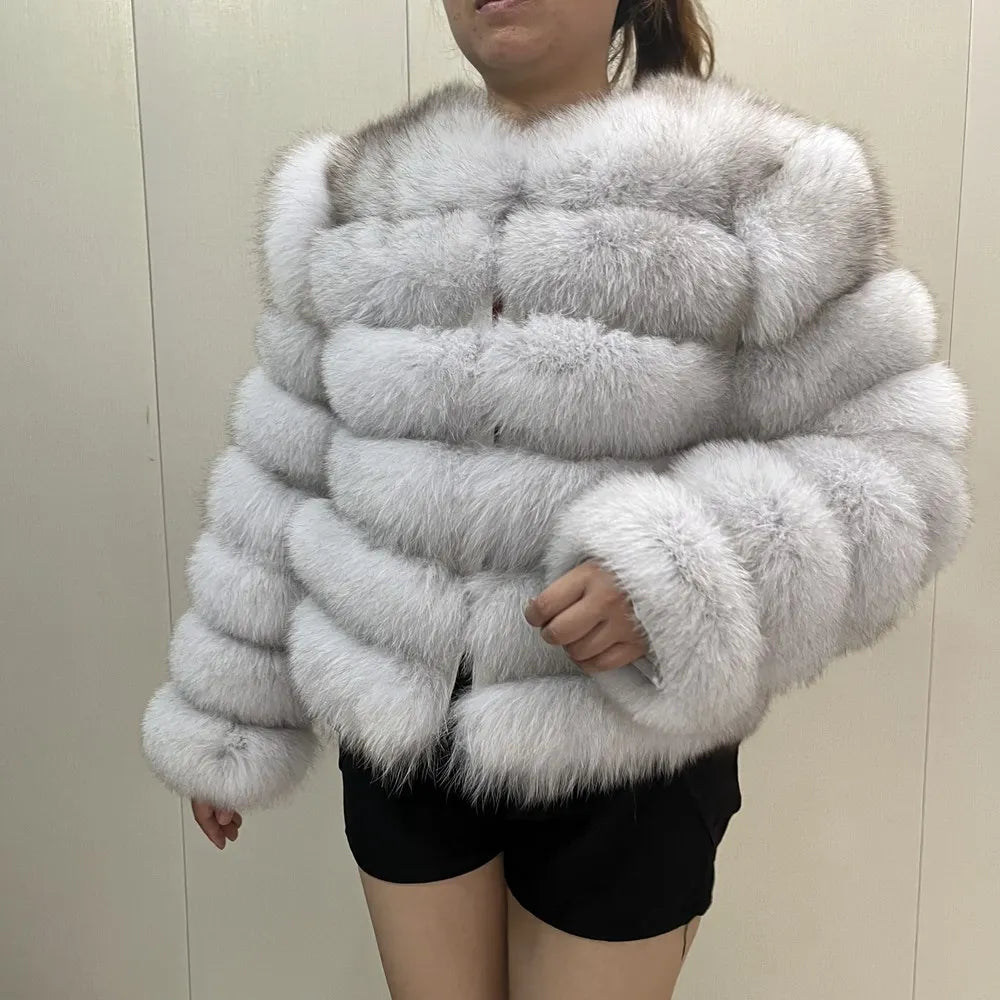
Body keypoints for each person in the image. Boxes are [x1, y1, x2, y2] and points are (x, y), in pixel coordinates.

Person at [140, 0, 971, 997]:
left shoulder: (758, 192)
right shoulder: (351, 200)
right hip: (401, 736)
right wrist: (228, 709)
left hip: (627, 747)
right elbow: (281, 464)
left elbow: (898, 466)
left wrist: (681, 573)